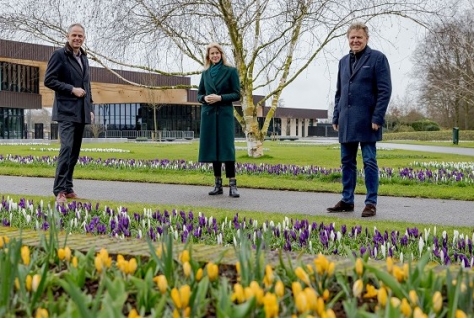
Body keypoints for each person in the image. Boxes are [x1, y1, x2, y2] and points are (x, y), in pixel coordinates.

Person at [327, 22, 392, 217]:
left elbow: (385, 90)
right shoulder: (342, 62)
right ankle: (347, 200)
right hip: (346, 121)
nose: (355, 41)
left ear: (366, 39)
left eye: (359, 38)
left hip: (368, 121)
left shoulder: (378, 59)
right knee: (347, 162)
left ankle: (370, 203)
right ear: (348, 39)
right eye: (352, 38)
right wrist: (336, 116)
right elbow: (340, 92)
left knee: (369, 161)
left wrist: (377, 117)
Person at [44, 23, 94, 203]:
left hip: (81, 111)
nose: (77, 38)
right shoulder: (59, 55)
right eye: (74, 35)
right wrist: (72, 89)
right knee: (66, 149)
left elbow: (87, 85)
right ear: (68, 36)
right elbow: (49, 80)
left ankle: (68, 187)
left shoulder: (85, 58)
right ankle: (59, 190)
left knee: (74, 152)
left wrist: (90, 107)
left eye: (80, 36)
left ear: (84, 38)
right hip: (65, 111)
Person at [197, 42, 241, 198]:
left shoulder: (231, 71)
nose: (214, 55)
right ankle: (218, 184)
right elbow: (199, 94)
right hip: (208, 115)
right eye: (212, 54)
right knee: (213, 150)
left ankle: (233, 185)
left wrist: (220, 98)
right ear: (208, 56)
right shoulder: (205, 73)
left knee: (227, 149)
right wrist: (204, 98)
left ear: (221, 54)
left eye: (217, 53)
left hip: (224, 115)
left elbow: (237, 94)